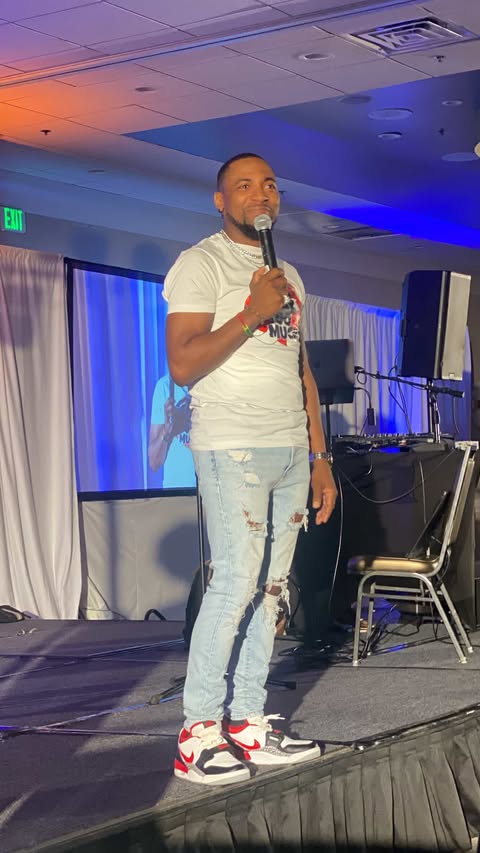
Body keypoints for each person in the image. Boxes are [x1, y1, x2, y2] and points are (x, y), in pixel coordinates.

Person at [164, 152, 337, 786]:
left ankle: (246, 722)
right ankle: (198, 733)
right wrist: (250, 311)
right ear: (221, 201)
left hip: (290, 447)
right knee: (236, 580)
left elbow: (302, 371)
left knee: (272, 587)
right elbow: (183, 365)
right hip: (232, 444)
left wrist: (320, 457)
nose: (259, 193)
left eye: (268, 184)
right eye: (243, 185)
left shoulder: (288, 273)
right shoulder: (200, 264)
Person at [148, 373, 195, 488]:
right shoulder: (165, 386)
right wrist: (167, 429)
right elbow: (154, 463)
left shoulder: (212, 386)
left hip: (210, 489)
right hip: (176, 491)